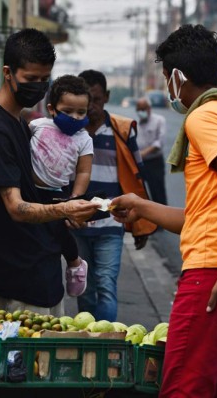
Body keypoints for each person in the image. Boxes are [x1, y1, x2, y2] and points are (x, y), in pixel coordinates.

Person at [111, 24, 217, 397]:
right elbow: (205, 218)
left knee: (184, 390)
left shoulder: (203, 117)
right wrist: (141, 206)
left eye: (165, 80)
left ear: (176, 78)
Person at [0, 29, 99, 316]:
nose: (38, 86)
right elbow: (16, 207)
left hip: (40, 263)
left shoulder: (19, 121)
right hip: (22, 273)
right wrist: (66, 209)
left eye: (44, 79)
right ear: (8, 72)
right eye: (30, 79)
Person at [72, 69, 150, 322]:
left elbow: (136, 179)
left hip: (110, 225)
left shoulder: (122, 131)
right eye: (87, 100)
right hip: (77, 224)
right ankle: (87, 343)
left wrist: (140, 225)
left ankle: (106, 342)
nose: (92, 106)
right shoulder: (71, 130)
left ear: (106, 97)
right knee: (84, 289)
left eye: (96, 99)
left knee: (106, 286)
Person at [29, 74, 93, 297]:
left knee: (61, 233)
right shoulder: (37, 126)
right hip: (30, 192)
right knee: (24, 233)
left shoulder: (84, 139)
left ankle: (75, 264)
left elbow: (83, 171)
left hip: (60, 195)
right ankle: (8, 275)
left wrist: (75, 199)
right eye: (67, 111)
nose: (75, 118)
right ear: (52, 109)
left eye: (81, 112)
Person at [135, 97, 168, 205]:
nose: (141, 112)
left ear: (149, 108)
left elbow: (160, 142)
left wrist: (144, 153)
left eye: (143, 109)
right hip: (140, 164)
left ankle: (163, 221)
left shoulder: (159, 120)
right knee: (140, 194)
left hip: (155, 162)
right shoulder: (136, 125)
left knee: (158, 194)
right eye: (139, 109)